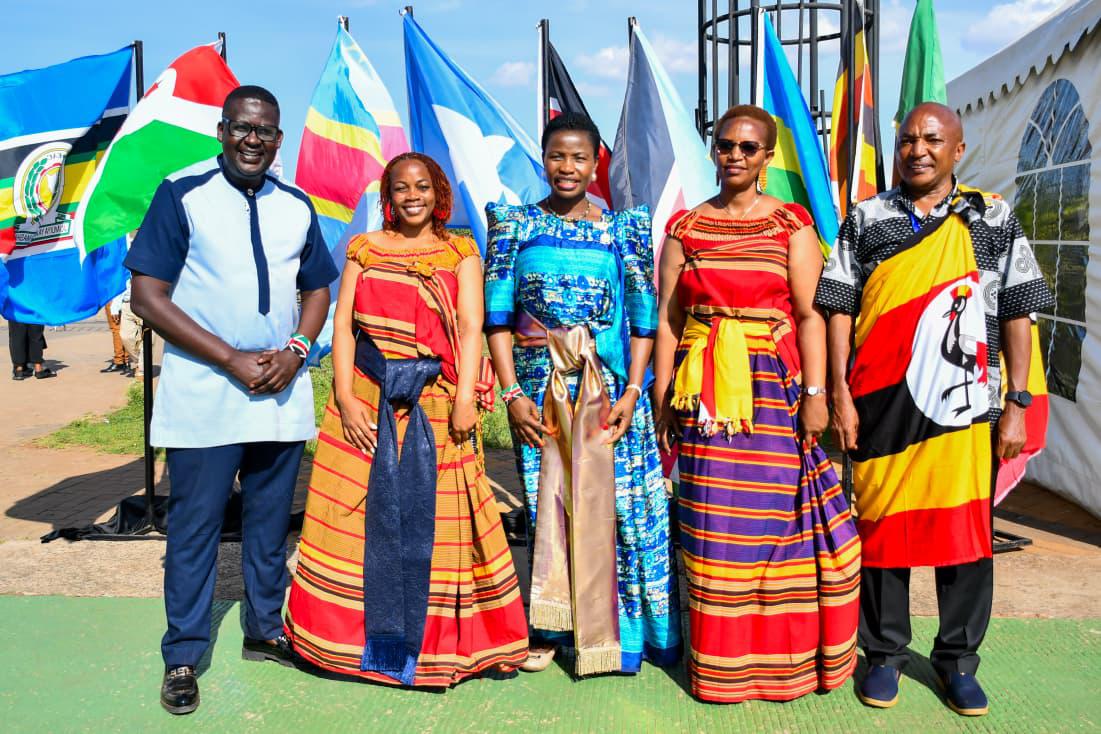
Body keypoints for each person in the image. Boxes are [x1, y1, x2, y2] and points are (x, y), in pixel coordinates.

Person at [815, 102, 1055, 717]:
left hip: (968, 404)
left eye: (931, 139)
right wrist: (840, 392)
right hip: (880, 401)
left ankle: (958, 660)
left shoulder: (992, 215)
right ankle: (884, 654)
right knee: (881, 524)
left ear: (958, 150)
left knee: (965, 533)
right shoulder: (866, 218)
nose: (917, 150)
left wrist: (1018, 402)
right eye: (906, 140)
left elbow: (1019, 311)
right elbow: (838, 305)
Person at [125, 85, 339, 715]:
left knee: (270, 527)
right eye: (242, 127)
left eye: (265, 131)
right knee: (196, 529)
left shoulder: (295, 203)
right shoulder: (181, 192)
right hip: (205, 391)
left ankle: (264, 629)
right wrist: (229, 357)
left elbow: (317, 288)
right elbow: (148, 297)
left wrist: (297, 349)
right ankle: (183, 655)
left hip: (279, 389)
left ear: (278, 140)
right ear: (222, 131)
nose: (253, 139)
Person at [284, 152, 529, 687]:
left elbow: (470, 327)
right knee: (350, 516)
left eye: (422, 186)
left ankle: (442, 649)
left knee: (444, 521)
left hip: (436, 402)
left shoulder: (460, 251)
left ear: (437, 192)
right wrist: (345, 397)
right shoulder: (364, 249)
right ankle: (342, 646)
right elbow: (343, 327)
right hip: (366, 398)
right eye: (401, 187)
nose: (412, 195)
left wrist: (464, 399)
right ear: (388, 196)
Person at [652, 105, 861, 703]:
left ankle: (783, 665)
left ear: (767, 156)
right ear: (714, 150)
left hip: (773, 393)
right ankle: (722, 667)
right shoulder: (686, 227)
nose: (735, 156)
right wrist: (664, 395)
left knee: (776, 520)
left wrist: (816, 396)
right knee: (713, 523)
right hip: (703, 397)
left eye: (748, 147)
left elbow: (810, 315)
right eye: (726, 145)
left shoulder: (790, 224)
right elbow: (669, 319)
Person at [485, 112, 681, 677]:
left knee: (620, 509)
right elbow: (497, 318)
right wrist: (511, 394)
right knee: (548, 503)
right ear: (543, 161)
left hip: (611, 391)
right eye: (556, 156)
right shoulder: (513, 224)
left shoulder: (625, 229)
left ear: (596, 164)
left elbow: (644, 320)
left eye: (578, 157)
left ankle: (623, 634)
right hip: (538, 390)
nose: (566, 167)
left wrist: (634, 392)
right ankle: (553, 627)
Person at [101, 300, 130, 373]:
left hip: (113, 299)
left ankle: (119, 361)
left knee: (116, 329)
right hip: (125, 300)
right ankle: (126, 361)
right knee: (124, 328)